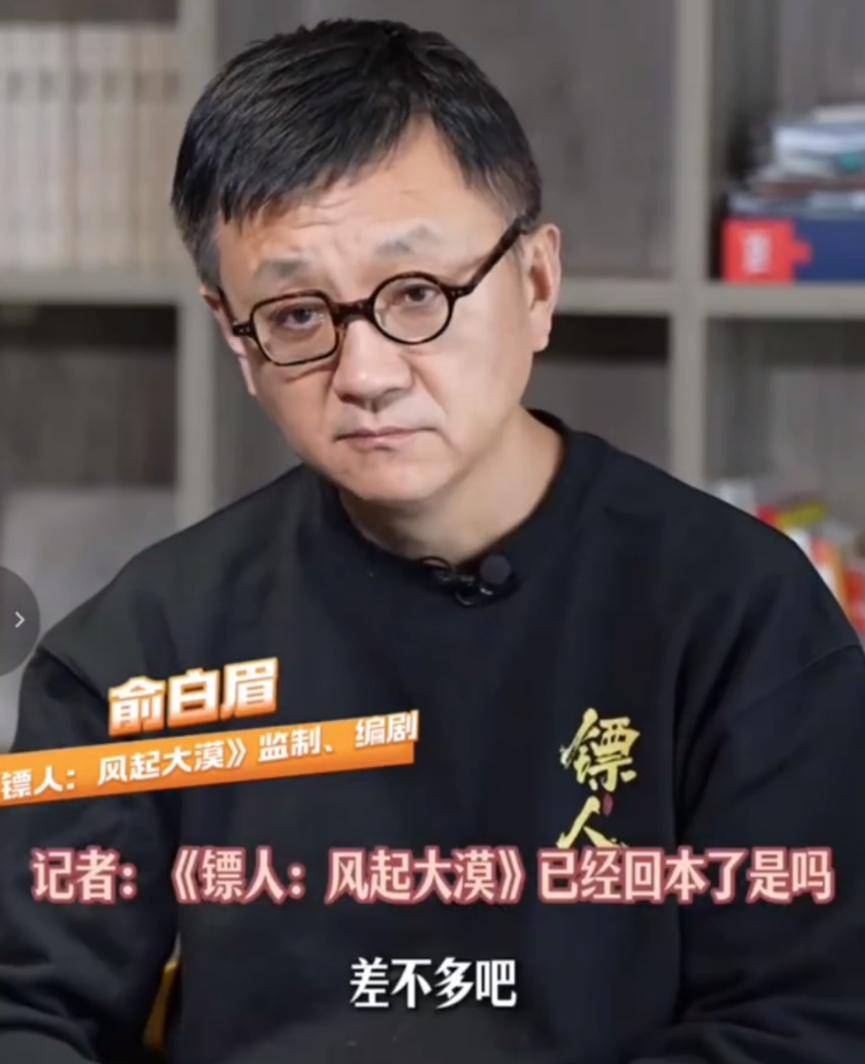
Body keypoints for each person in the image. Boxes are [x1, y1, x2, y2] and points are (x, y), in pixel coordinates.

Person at [1, 17, 864, 1064]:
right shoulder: (142, 653)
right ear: (236, 337)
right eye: (296, 315)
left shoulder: (738, 612)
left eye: (416, 295)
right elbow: (28, 1009)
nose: (365, 373)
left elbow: (802, 1022)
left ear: (536, 284)